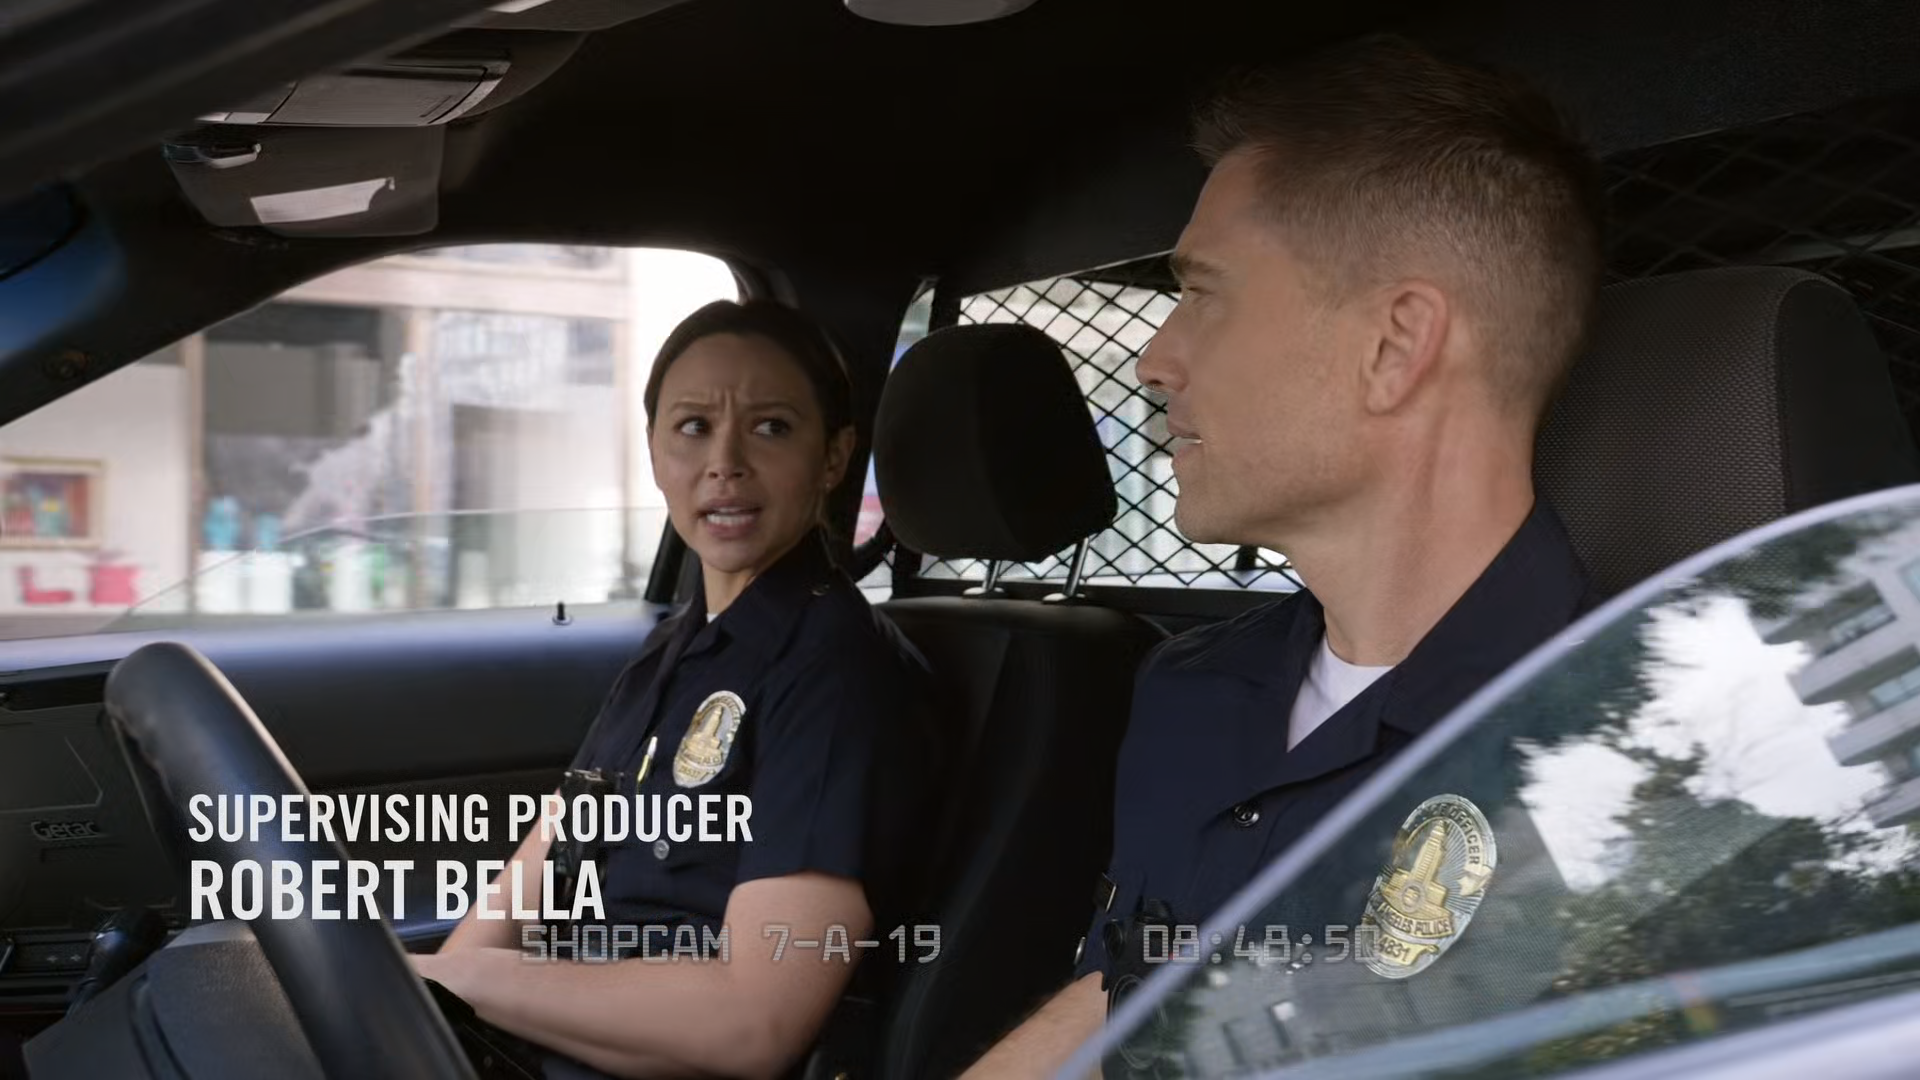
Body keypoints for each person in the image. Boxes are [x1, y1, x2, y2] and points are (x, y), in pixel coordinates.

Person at [961, 34, 1604, 1077]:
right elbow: (1133, 985)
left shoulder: (1623, 754)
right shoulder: (1190, 691)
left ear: (1395, 346)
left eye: (1204, 293)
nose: (1155, 357)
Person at [416, 299, 937, 1080]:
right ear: (655, 452)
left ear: (834, 458)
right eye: (693, 426)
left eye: (772, 427)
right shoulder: (673, 649)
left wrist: (469, 984)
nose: (725, 461)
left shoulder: (835, 673)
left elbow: (754, 1019)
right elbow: (544, 863)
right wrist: (424, 1011)